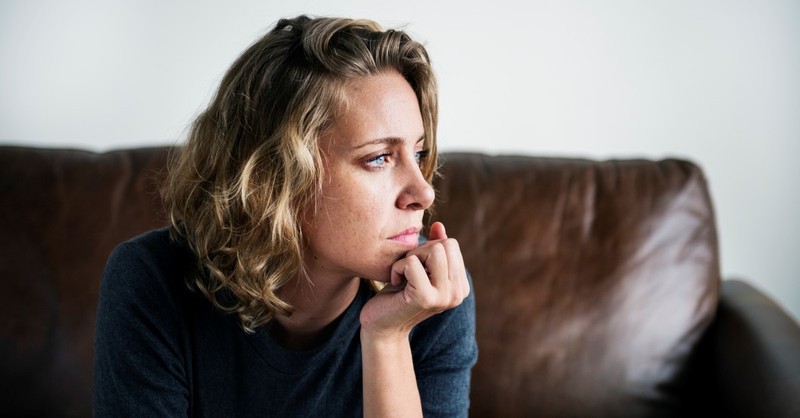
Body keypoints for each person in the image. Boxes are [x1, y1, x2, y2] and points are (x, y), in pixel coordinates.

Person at [93, 15, 477, 417]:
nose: (424, 192)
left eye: (417, 154)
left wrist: (387, 337)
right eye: (379, 158)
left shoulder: (433, 296)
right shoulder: (152, 281)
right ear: (276, 176)